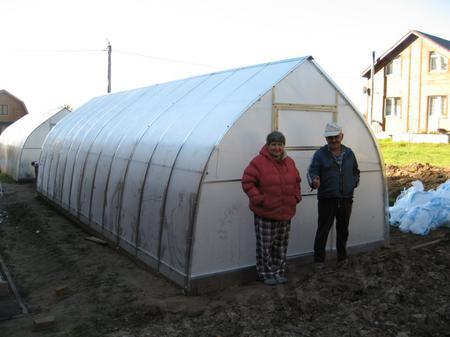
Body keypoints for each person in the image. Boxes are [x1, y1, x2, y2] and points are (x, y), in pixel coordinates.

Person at [242, 131, 301, 285]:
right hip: (266, 213)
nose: (277, 148)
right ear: (268, 146)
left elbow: (297, 181)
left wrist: (296, 197)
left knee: (281, 245)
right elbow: (247, 182)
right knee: (265, 246)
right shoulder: (258, 162)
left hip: (286, 212)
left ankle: (278, 272)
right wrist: (260, 200)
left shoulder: (290, 162)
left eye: (280, 144)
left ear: (284, 146)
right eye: (273, 144)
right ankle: (266, 274)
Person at [307, 122, 360, 264]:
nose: (334, 140)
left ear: (341, 136)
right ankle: (319, 261)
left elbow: (356, 171)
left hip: (346, 198)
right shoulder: (320, 154)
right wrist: (314, 180)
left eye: (336, 137)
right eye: (330, 138)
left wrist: (353, 183)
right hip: (327, 198)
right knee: (323, 230)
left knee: (343, 230)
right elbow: (312, 171)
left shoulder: (349, 153)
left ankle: (342, 258)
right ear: (326, 139)